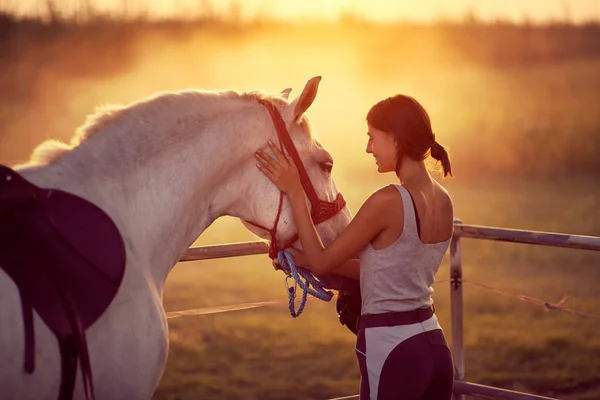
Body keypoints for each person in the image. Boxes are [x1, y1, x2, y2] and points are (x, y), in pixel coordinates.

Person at [255, 94, 455, 400]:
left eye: (373, 138)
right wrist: (300, 260)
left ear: (395, 137)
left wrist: (295, 190)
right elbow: (383, 270)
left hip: (394, 349)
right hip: (433, 343)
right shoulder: (444, 200)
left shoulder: (387, 201)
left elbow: (322, 261)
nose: (368, 148)